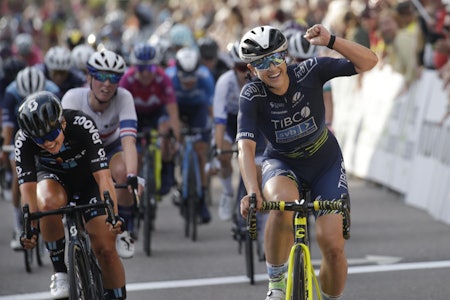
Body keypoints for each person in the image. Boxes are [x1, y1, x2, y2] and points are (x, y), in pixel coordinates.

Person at [237, 25, 377, 300]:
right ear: (252, 70)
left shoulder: (311, 71)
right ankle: (276, 285)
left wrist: (332, 41)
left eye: (276, 57)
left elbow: (369, 61)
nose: (272, 67)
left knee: (333, 248)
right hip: (282, 164)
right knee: (280, 205)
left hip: (324, 161)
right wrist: (252, 192)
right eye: (261, 63)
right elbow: (245, 148)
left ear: (286, 56)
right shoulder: (252, 95)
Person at [16, 91, 127, 299]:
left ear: (63, 124)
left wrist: (114, 215)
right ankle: (60, 272)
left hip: (88, 180)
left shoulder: (81, 123)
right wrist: (29, 229)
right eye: (40, 140)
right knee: (47, 203)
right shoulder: (23, 139)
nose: (47, 143)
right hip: (53, 179)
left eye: (50, 135)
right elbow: (28, 191)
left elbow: (103, 177)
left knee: (106, 249)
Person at [61, 49, 141, 259]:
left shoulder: (124, 97)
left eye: (113, 78)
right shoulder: (72, 98)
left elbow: (128, 141)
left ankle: (123, 227)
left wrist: (132, 176)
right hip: (81, 152)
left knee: (123, 172)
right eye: (101, 77)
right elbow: (63, 143)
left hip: (110, 148)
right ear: (89, 77)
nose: (107, 84)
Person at [2, 66, 59, 250]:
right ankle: (19, 225)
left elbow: (60, 120)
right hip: (21, 135)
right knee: (19, 175)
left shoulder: (53, 90)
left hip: (47, 133)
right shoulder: (11, 93)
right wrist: (4, 151)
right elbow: (8, 127)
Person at [212, 41, 266, 221]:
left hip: (255, 124)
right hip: (230, 123)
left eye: (247, 68)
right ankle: (227, 193)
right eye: (239, 68)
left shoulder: (260, 80)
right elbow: (219, 120)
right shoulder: (224, 82)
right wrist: (219, 149)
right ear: (233, 68)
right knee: (223, 156)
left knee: (258, 168)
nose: (244, 72)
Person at [119, 42, 180, 196]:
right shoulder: (127, 79)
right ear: (134, 67)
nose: (146, 73)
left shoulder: (163, 78)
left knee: (166, 132)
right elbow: (118, 110)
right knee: (136, 154)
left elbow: (172, 111)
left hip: (156, 113)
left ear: (157, 67)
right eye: (141, 68)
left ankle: (167, 169)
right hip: (135, 114)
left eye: (150, 68)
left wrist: (175, 138)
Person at [165, 47, 214, 223]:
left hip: (197, 111)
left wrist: (213, 130)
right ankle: (173, 174)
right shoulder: (169, 77)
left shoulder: (205, 77)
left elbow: (211, 108)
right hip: (176, 109)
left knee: (200, 152)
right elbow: (168, 111)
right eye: (184, 78)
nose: (188, 82)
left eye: (191, 77)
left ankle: (201, 202)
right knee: (170, 140)